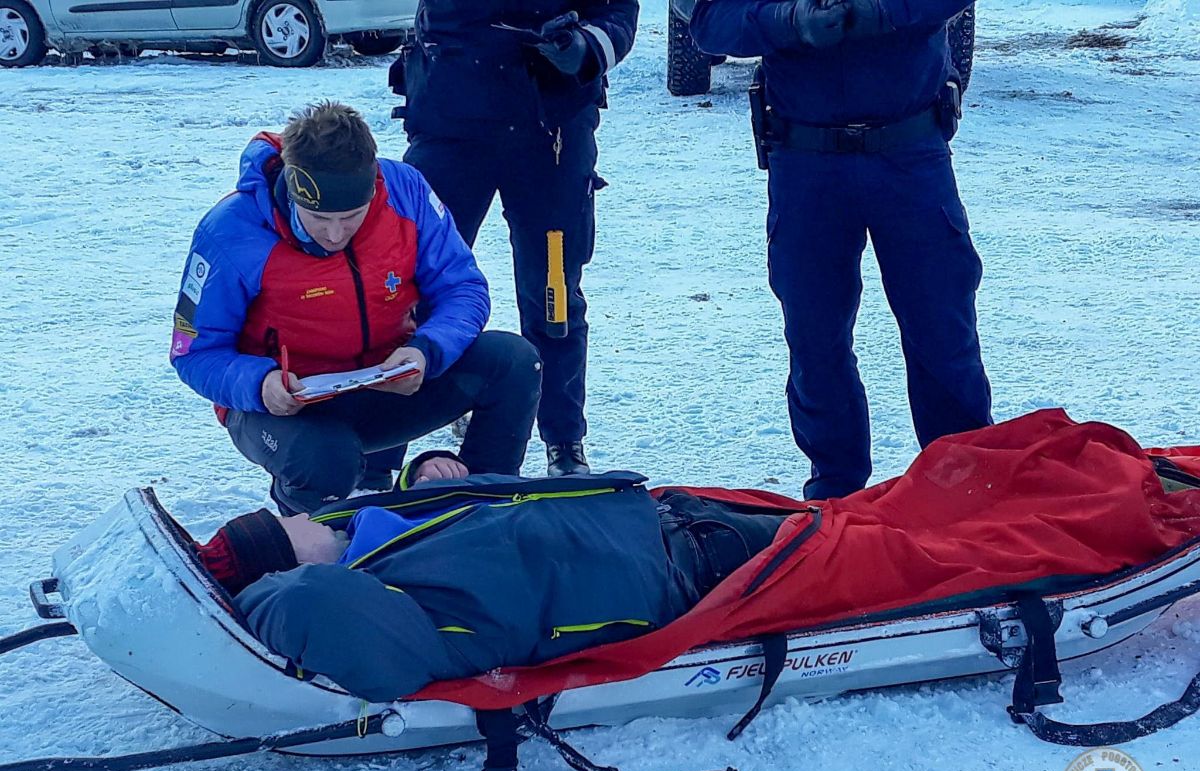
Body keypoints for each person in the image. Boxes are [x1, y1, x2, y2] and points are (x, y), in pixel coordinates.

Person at [171, 101, 542, 515]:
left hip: (391, 381)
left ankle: (481, 509)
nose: (334, 234)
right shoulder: (230, 232)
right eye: (316, 217)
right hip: (286, 407)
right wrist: (260, 384)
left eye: (352, 217)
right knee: (326, 459)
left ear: (374, 186)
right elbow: (194, 351)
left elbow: (464, 288)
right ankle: (306, 540)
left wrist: (426, 349)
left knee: (514, 361)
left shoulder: (405, 192)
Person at [690, 0, 993, 500]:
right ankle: (835, 495)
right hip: (806, 161)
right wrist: (787, 22)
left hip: (910, 151)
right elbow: (708, 20)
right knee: (815, 337)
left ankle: (962, 487)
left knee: (940, 328)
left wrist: (883, 11)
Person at [196, 448, 789, 700]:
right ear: (291, 560)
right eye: (284, 526)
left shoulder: (347, 527)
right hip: (678, 570)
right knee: (869, 550)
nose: (295, 513)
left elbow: (431, 511)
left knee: (843, 515)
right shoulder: (379, 609)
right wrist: (240, 594)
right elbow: (307, 605)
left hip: (647, 510)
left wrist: (427, 469)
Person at [396, 1, 640, 477]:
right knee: (410, 287)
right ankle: (380, 458)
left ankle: (565, 444)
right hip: (452, 123)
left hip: (551, 129)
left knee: (553, 294)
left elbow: (619, 12)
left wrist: (586, 46)